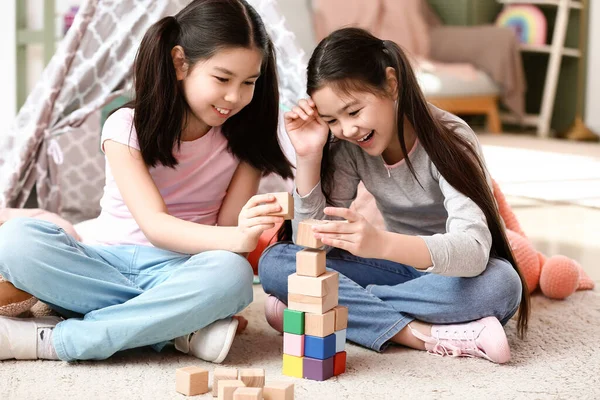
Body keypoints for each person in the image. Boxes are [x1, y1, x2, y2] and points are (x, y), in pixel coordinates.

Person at [0, 0, 292, 363]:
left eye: (249, 82)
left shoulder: (246, 141)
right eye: (222, 78)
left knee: (232, 274)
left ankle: (56, 341)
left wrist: (242, 235)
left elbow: (227, 237)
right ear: (180, 62)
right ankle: (173, 328)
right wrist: (240, 238)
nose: (234, 97)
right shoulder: (125, 126)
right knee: (15, 240)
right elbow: (154, 225)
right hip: (103, 261)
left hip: (182, 268)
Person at [259, 28, 529, 364]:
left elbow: (473, 252)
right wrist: (309, 157)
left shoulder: (452, 138)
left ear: (391, 83)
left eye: (354, 112)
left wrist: (380, 245)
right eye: (332, 120)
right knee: (276, 262)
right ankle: (424, 335)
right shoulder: (346, 147)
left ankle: (330, 305)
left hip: (450, 275)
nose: (347, 130)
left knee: (502, 286)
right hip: (394, 271)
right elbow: (312, 246)